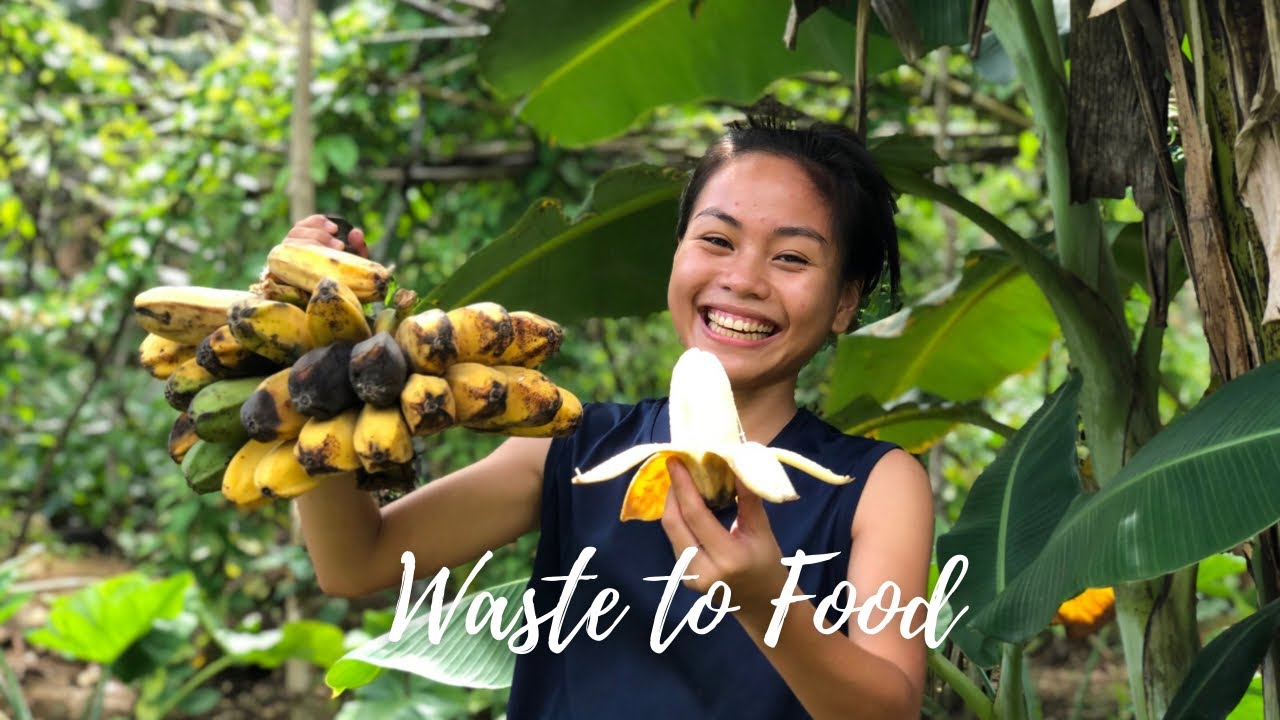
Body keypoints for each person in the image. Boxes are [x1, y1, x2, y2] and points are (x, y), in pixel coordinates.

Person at [285, 117, 934, 719]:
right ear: (677, 254)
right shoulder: (569, 446)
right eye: (717, 240)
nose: (743, 279)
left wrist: (765, 603)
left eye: (791, 257)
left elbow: (892, 709)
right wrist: (316, 372)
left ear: (845, 301)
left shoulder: (876, 486)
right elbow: (356, 562)